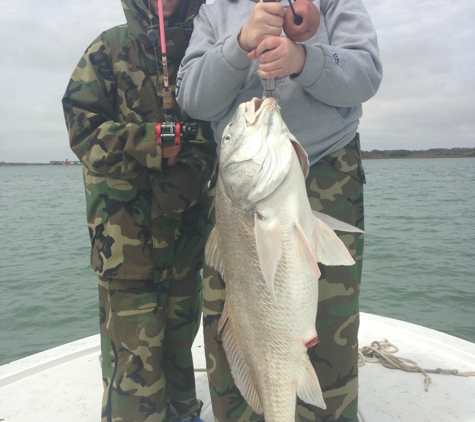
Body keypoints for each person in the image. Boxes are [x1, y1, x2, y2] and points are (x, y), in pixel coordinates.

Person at [176, 0, 382, 421]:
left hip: (327, 170)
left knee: (329, 328)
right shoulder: (214, 11)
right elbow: (192, 98)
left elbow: (365, 75)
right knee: (234, 318)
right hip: (241, 192)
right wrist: (238, 45)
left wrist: (305, 59)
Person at [62, 0, 216, 421]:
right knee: (133, 359)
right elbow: (82, 131)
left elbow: (215, 138)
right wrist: (149, 141)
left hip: (186, 241)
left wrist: (191, 156)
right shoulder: (108, 48)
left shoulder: (203, 52)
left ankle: (185, 413)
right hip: (125, 244)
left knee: (180, 345)